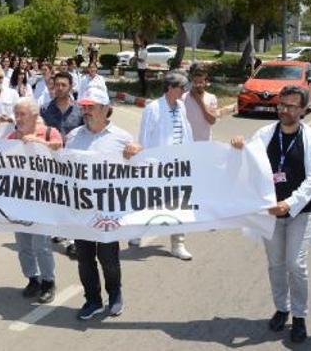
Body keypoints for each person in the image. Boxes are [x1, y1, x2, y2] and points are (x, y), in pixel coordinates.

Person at [230, 85, 311, 344]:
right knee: (276, 265)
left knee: (296, 265)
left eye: (291, 106)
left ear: (303, 110)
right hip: (269, 214)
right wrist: (238, 146)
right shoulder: (264, 134)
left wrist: (289, 203)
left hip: (299, 212)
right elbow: (247, 160)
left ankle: (300, 316)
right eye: (281, 104)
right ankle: (282, 309)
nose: (284, 110)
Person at [66, 87, 141, 320]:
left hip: (108, 211)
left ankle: (115, 293)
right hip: (81, 211)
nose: (86, 111)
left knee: (108, 258)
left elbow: (143, 170)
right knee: (84, 259)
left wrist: (136, 153)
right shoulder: (73, 136)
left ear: (105, 109)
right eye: (84, 107)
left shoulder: (122, 138)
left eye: (91, 107)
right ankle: (92, 300)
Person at [130, 71, 193, 260]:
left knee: (180, 204)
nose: (184, 91)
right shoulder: (154, 108)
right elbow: (145, 137)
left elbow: (186, 132)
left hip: (178, 165)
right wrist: (146, 162)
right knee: (148, 201)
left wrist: (190, 156)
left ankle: (178, 244)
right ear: (170, 88)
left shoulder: (181, 106)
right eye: (181, 87)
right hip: (156, 165)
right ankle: (136, 232)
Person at [8, 97, 63, 304]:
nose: (19, 118)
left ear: (34, 115)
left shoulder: (50, 133)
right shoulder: (12, 138)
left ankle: (48, 281)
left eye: (22, 114)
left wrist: (42, 144)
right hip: (20, 200)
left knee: (42, 244)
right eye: (16, 114)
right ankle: (33, 278)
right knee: (23, 244)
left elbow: (63, 161)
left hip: (44, 200)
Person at [40, 72, 83, 258]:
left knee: (71, 200)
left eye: (63, 85)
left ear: (70, 87)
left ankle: (72, 240)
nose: (59, 88)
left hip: (73, 163)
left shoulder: (80, 110)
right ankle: (57, 230)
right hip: (51, 162)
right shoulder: (44, 109)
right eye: (56, 84)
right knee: (54, 199)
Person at [183, 65, 218, 141]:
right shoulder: (183, 98)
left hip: (204, 142)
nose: (198, 85)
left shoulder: (211, 98)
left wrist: (199, 101)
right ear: (192, 81)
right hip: (187, 142)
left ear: (205, 82)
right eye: (195, 82)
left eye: (201, 82)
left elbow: (212, 120)